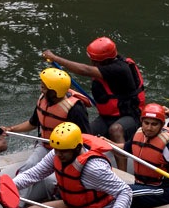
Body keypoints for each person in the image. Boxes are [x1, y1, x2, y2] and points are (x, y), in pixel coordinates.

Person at [12, 122, 132, 208]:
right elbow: (33, 174)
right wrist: (7, 186)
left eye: (63, 152)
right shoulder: (57, 154)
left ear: (77, 148)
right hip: (78, 204)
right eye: (56, 150)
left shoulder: (94, 168)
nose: (58, 154)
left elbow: (125, 191)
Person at [42, 37, 145, 171]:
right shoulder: (108, 66)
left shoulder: (120, 69)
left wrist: (54, 58)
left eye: (93, 59)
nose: (91, 62)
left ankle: (122, 174)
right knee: (82, 136)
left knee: (115, 129)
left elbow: (85, 70)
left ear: (102, 60)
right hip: (108, 117)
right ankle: (83, 168)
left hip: (131, 117)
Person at [2, 67, 91, 203]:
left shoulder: (76, 109)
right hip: (46, 146)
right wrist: (11, 129)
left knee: (51, 181)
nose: (41, 89)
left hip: (67, 151)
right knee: (28, 167)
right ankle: (17, 204)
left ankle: (53, 200)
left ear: (54, 92)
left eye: (44, 87)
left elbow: (85, 138)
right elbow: (33, 123)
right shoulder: (44, 99)